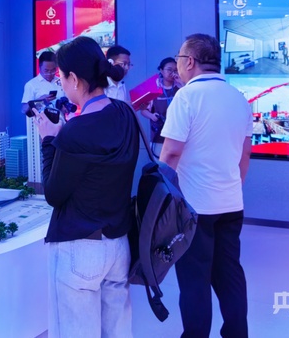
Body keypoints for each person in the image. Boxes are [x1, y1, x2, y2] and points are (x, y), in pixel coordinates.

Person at [34, 36, 139, 338]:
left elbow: (54, 193)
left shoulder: (75, 132)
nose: (61, 83)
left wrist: (49, 140)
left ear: (75, 79)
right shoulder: (125, 114)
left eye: (61, 77)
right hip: (118, 244)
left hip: (80, 249)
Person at [160, 34, 253, 338]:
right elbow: (245, 156)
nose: (177, 64)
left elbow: (171, 153)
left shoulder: (186, 97)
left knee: (194, 280)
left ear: (189, 61)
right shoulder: (238, 98)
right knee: (230, 275)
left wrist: (159, 197)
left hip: (194, 208)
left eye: (178, 58)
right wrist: (231, 188)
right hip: (231, 204)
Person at [140, 57, 182, 154]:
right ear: (161, 70)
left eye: (175, 70)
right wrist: (152, 116)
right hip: (158, 135)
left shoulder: (180, 87)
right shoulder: (154, 87)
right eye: (169, 70)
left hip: (177, 135)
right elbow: (143, 110)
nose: (172, 73)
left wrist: (181, 82)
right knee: (158, 161)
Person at [21, 50, 64, 115]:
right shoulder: (31, 85)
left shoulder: (62, 81)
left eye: (53, 70)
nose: (50, 73)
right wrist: (40, 101)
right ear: (39, 68)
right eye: (46, 71)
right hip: (40, 121)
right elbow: (24, 109)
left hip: (61, 120)